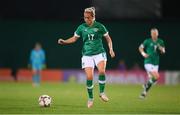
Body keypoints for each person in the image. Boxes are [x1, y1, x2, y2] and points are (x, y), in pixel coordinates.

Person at [58, 7, 115, 108]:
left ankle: (102, 93)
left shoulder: (100, 26)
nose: (86, 19)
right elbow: (74, 38)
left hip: (99, 53)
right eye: (85, 17)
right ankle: (90, 98)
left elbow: (108, 39)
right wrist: (64, 41)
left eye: (88, 18)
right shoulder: (81, 27)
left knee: (102, 71)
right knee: (89, 77)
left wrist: (110, 49)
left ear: (93, 17)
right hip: (87, 55)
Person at [138, 28, 165, 98]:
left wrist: (161, 49)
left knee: (153, 81)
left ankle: (144, 92)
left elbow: (163, 51)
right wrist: (143, 54)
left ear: (157, 34)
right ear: (151, 34)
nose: (154, 35)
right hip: (148, 62)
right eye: (153, 33)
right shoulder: (147, 41)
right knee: (156, 76)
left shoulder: (160, 41)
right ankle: (145, 87)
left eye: (155, 33)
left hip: (156, 63)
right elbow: (140, 47)